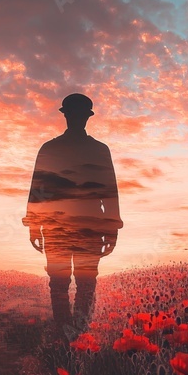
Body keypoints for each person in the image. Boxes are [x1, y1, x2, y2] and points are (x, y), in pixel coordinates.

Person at [22, 93, 122, 340]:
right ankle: (74, 332)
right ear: (70, 116)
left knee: (67, 281)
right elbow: (39, 188)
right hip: (80, 224)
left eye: (79, 115)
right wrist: (111, 228)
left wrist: (35, 225)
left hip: (61, 224)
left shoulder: (51, 148)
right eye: (75, 114)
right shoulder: (96, 150)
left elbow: (39, 190)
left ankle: (69, 332)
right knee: (72, 281)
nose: (77, 119)